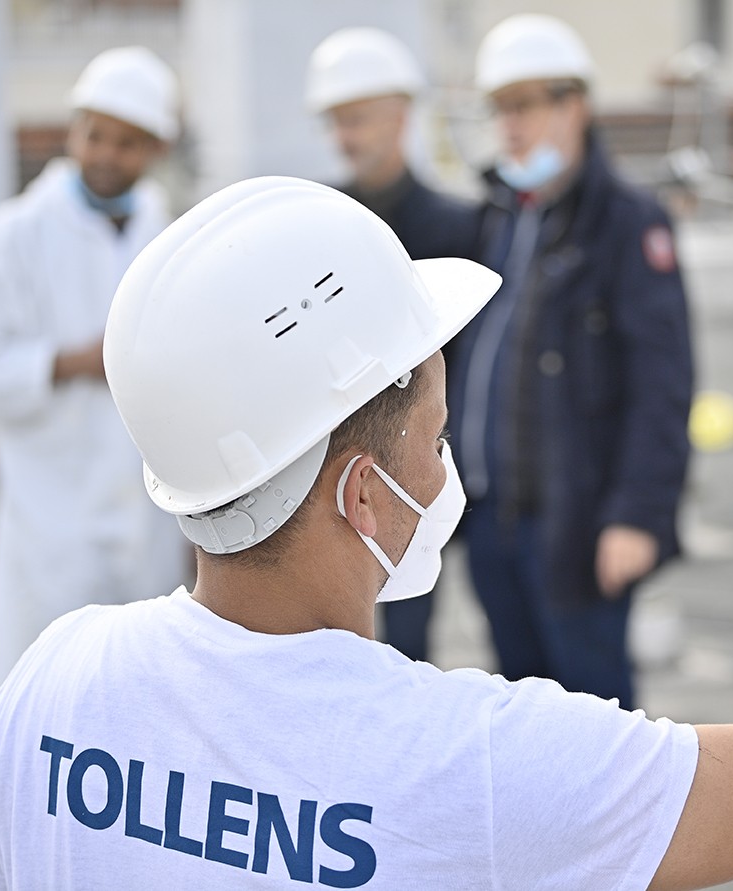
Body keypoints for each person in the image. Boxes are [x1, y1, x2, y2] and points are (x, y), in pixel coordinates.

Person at [0, 176, 733, 890]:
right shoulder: (461, 763)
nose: (445, 461)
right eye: (434, 431)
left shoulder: (54, 682)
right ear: (361, 497)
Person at [446, 14, 694, 708]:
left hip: (578, 526)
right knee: (521, 717)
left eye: (526, 104)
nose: (511, 125)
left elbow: (663, 384)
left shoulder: (626, 222)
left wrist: (637, 516)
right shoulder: (499, 218)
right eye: (501, 108)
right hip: (494, 521)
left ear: (575, 103)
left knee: (594, 717)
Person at [0, 46, 189, 697]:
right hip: (52, 523)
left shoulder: (167, 235)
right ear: (74, 130)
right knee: (47, 697)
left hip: (149, 528)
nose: (106, 154)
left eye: (128, 142)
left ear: (156, 147)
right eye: (95, 134)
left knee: (142, 697)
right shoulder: (11, 236)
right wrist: (69, 361)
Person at [305, 26, 478, 661]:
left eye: (357, 117)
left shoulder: (460, 224)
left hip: (441, 455)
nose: (345, 135)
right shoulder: (324, 221)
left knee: (425, 640)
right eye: (335, 121)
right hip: (349, 472)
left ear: (401, 115)